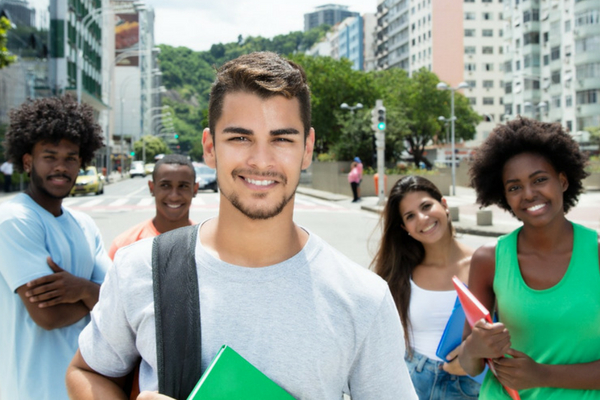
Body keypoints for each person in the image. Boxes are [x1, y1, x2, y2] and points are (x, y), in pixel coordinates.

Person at [66, 52, 417, 400]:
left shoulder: (362, 298)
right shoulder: (141, 268)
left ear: (307, 148)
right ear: (210, 147)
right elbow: (85, 371)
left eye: (282, 139)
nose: (261, 160)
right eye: (239, 138)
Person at [459, 117, 600, 399]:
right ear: (504, 197)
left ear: (562, 180)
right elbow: (469, 363)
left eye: (539, 180)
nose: (529, 194)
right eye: (514, 187)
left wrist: (542, 374)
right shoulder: (490, 259)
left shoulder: (596, 253)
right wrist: (476, 346)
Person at [0, 95, 111, 400]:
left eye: (71, 157)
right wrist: (94, 296)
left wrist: (81, 289)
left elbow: (118, 302)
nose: (61, 167)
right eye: (49, 156)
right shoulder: (13, 220)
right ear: (27, 162)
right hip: (31, 390)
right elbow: (46, 317)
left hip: (84, 388)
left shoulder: (85, 225)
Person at [372, 175, 480, 400]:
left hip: (471, 385)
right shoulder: (399, 274)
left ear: (445, 205)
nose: (422, 218)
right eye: (410, 216)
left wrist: (476, 357)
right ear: (405, 227)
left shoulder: (484, 264)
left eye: (426, 206)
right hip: (412, 382)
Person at [107, 154, 199, 260]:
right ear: (152, 188)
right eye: (165, 185)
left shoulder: (208, 244)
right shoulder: (124, 247)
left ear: (195, 189)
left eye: (183, 186)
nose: (174, 196)